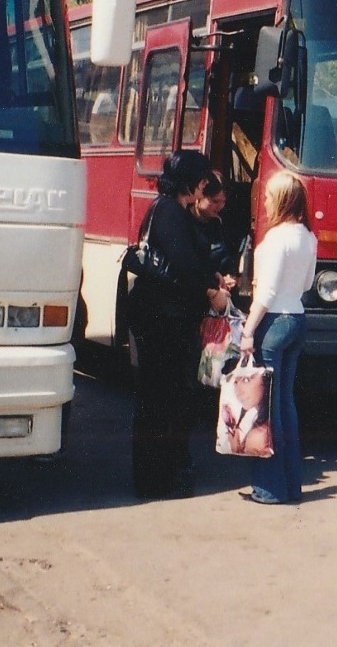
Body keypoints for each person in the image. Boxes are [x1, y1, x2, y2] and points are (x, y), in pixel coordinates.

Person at [128, 149, 225, 499]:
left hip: (161, 315)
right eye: (203, 181)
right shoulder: (171, 211)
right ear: (195, 183)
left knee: (160, 397)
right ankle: (155, 480)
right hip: (161, 317)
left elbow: (185, 258)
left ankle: (157, 475)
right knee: (159, 398)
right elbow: (182, 264)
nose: (205, 187)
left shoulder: (168, 208)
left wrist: (209, 273)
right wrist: (211, 291)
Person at [237, 170, 318, 505]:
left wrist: (248, 331)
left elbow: (266, 292)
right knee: (285, 405)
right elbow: (307, 285)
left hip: (272, 323)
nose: (265, 202)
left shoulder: (274, 240)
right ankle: (290, 485)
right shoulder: (307, 238)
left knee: (265, 411)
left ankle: (269, 489)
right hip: (297, 320)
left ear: (282, 200)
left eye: (269, 196)